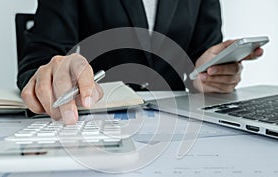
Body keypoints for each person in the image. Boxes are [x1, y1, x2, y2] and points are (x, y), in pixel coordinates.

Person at [17, 0, 263, 124]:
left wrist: (210, 73)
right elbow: (41, 56)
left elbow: (204, 53)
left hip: (182, 121)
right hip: (100, 119)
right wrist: (50, 73)